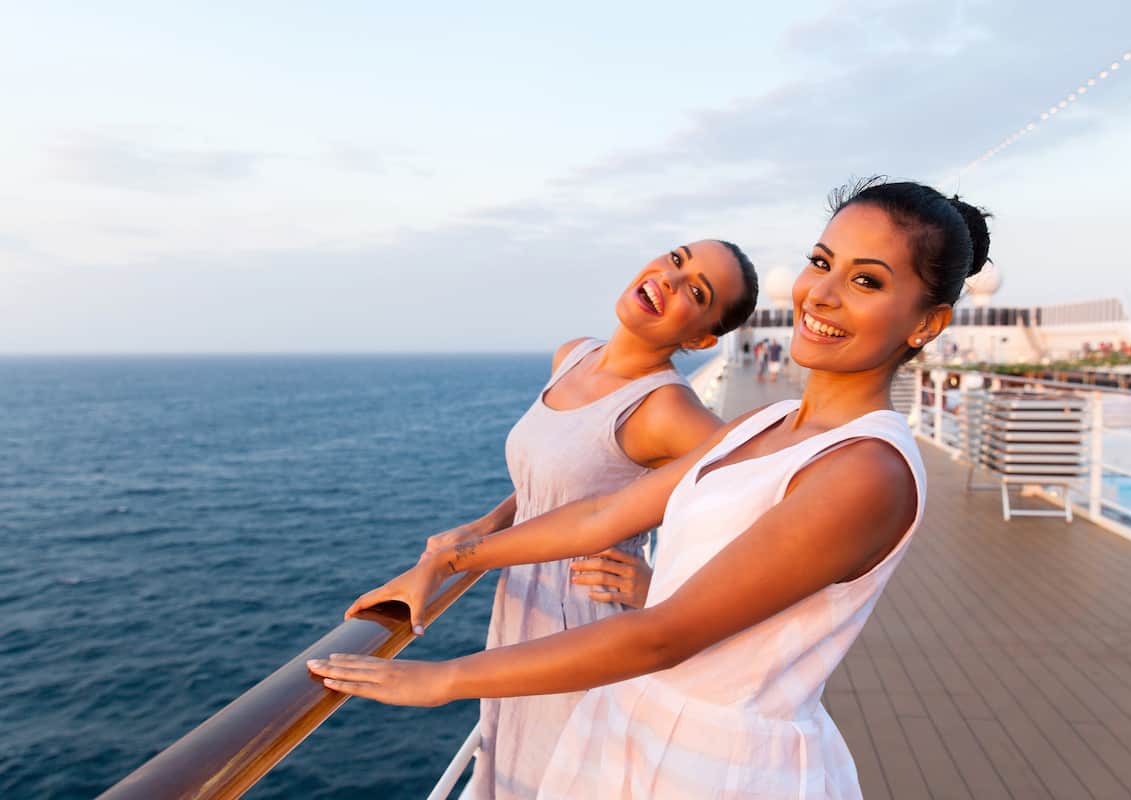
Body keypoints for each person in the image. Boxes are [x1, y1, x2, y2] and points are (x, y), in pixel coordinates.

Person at [310, 179, 990, 798]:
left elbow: (662, 635)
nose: (823, 294)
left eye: (867, 281)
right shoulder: (770, 421)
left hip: (718, 766)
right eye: (821, 262)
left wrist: (443, 679)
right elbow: (603, 513)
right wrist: (445, 561)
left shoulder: (866, 470)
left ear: (926, 324)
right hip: (636, 721)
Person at [377, 240, 759, 800]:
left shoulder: (667, 411)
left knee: (555, 778)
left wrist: (664, 589)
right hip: (520, 597)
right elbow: (554, 475)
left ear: (700, 339)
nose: (672, 280)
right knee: (509, 762)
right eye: (677, 260)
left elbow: (759, 511)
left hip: (583, 615)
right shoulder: (574, 354)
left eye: (697, 292)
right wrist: (488, 523)